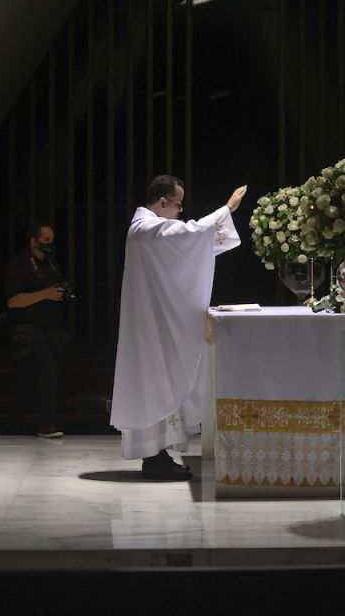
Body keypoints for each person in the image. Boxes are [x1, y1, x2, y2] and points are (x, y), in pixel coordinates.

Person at [110, 175, 246, 480]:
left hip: (153, 322)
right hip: (149, 329)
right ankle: (153, 458)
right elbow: (191, 233)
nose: (181, 210)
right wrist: (227, 208)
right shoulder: (146, 228)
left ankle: (158, 455)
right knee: (154, 383)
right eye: (178, 203)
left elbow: (185, 244)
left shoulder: (147, 228)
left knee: (158, 381)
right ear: (162, 202)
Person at [3, 222, 71, 438]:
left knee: (31, 380)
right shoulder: (19, 266)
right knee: (47, 372)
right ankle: (46, 425)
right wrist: (45, 294)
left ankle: (12, 426)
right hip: (28, 330)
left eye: (52, 240)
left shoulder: (50, 265)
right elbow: (13, 301)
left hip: (51, 330)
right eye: (46, 240)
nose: (49, 245)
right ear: (34, 241)